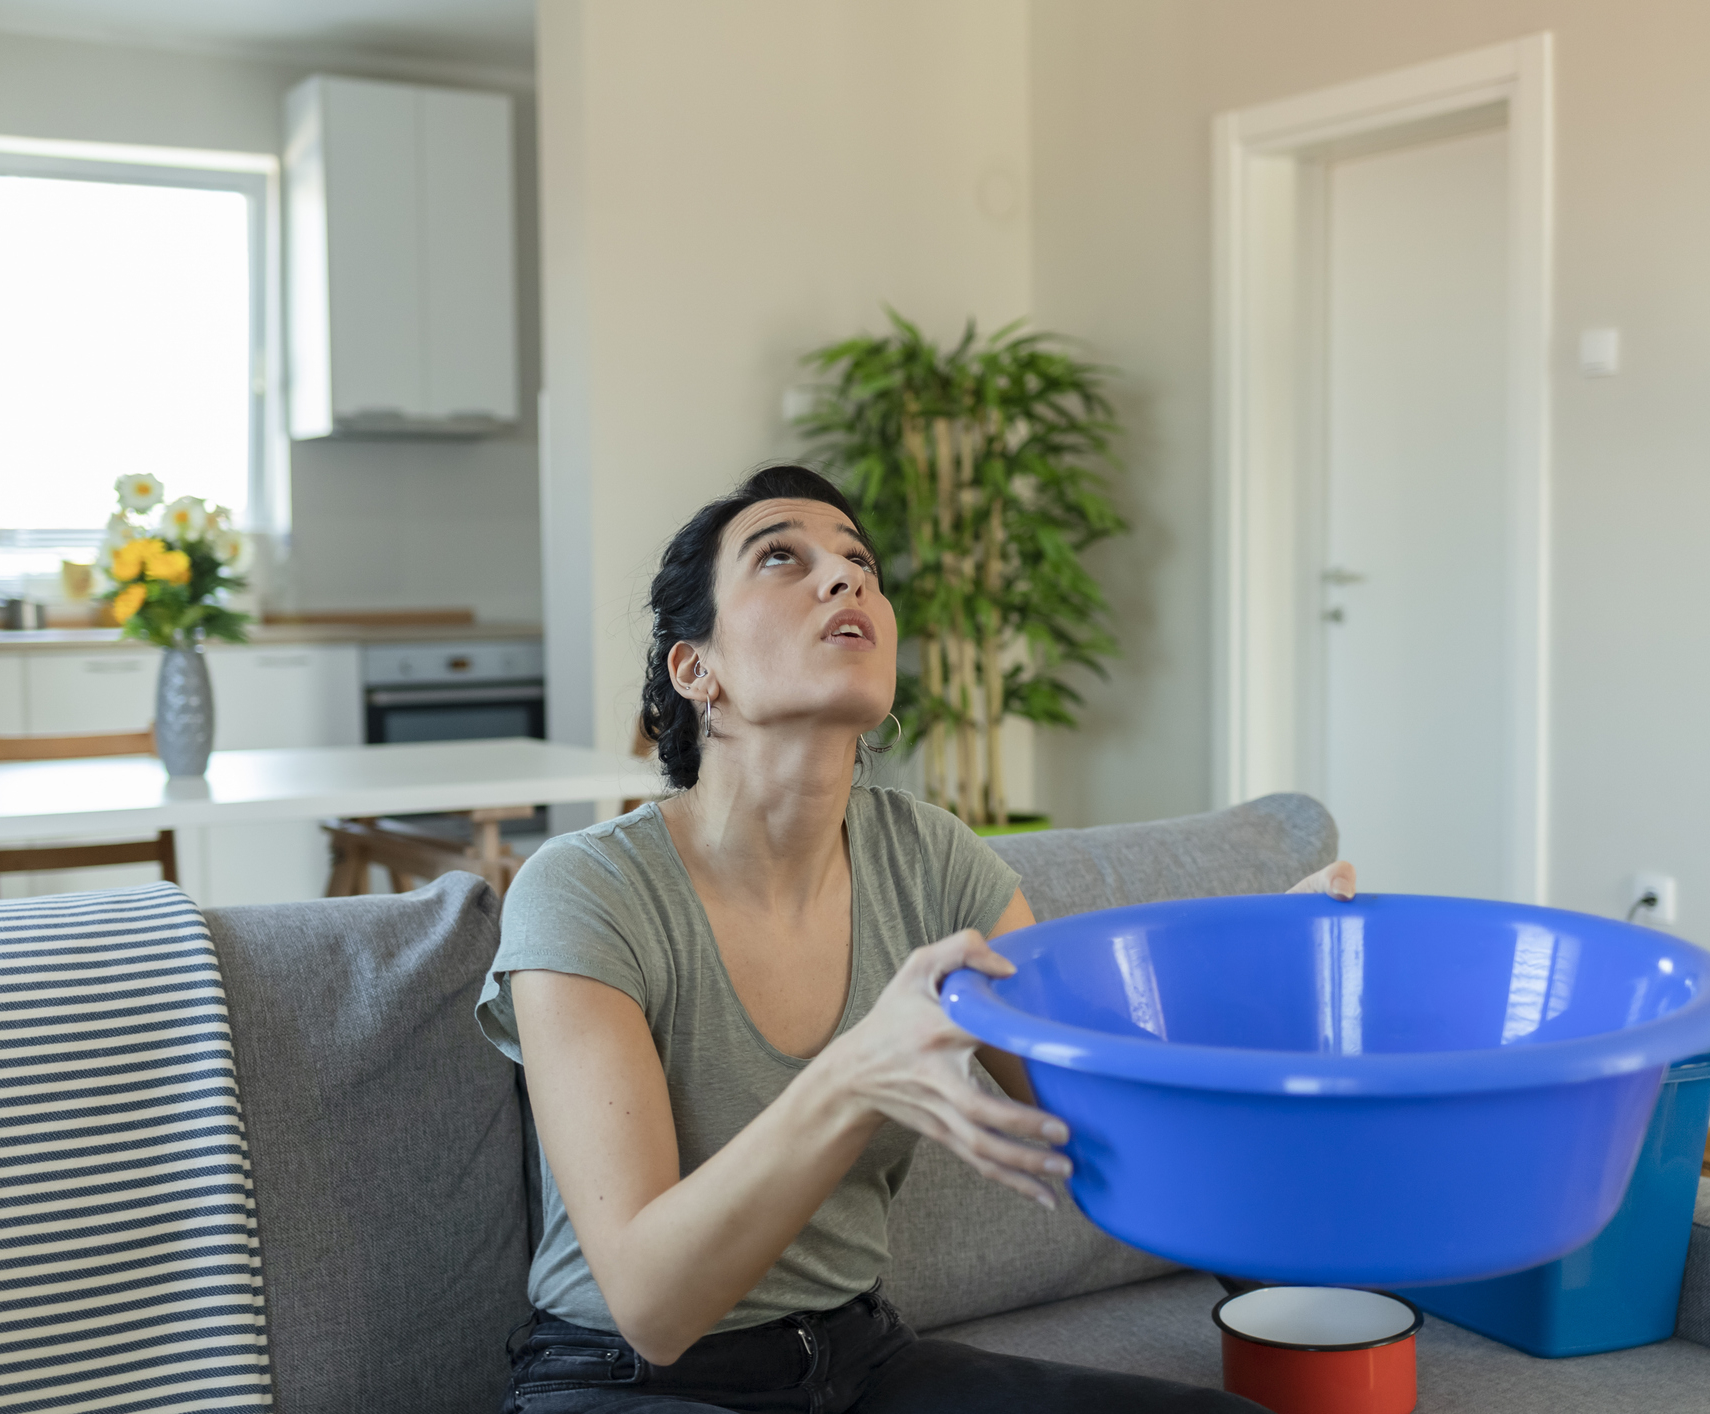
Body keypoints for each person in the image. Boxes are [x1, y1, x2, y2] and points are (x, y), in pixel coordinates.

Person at [477, 464, 1356, 1413]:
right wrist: (856, 1076)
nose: (846, 577)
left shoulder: (933, 860)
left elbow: (1104, 1115)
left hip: (864, 1364)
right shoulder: (586, 887)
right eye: (782, 556)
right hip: (627, 1381)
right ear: (697, 670)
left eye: (859, 562)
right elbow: (652, 1304)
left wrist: (1268, 976)